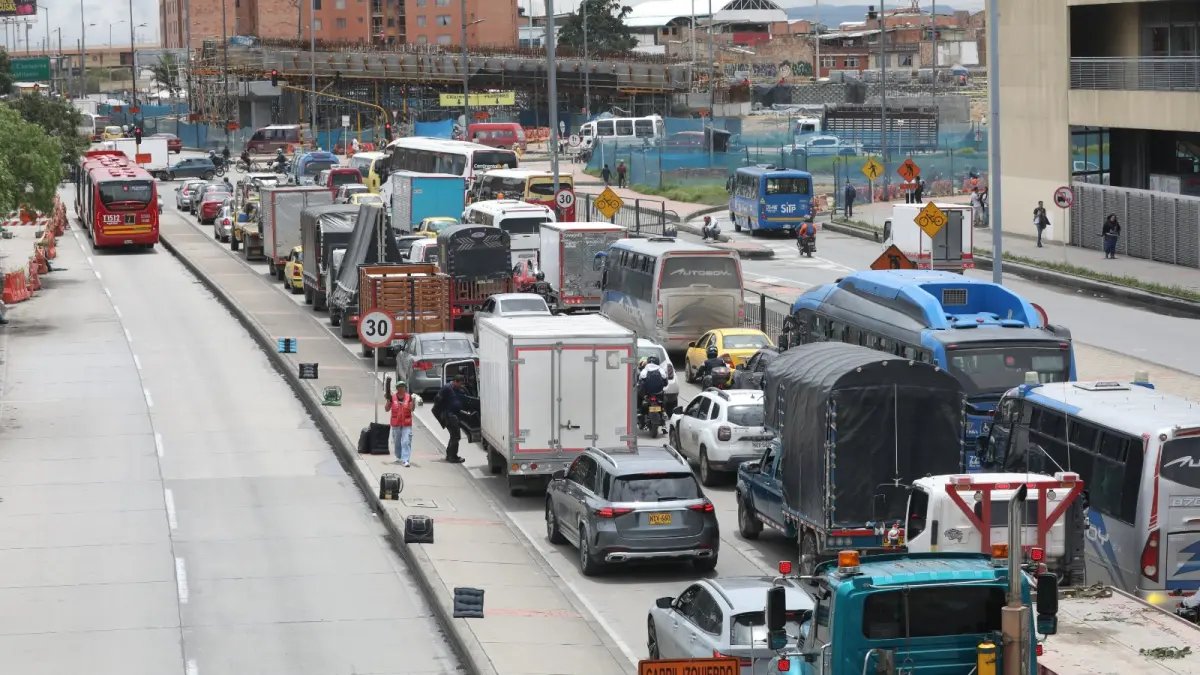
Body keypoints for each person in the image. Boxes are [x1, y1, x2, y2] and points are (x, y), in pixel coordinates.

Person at [431, 375, 466, 463]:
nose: (461, 386)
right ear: (455, 381)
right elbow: (437, 400)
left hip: (453, 415)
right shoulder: (447, 388)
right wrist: (443, 412)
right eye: (460, 383)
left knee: (454, 436)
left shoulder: (457, 389)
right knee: (456, 436)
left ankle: (450, 454)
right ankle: (452, 456)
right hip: (449, 415)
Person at [384, 378, 414, 466]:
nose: (401, 388)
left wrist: (413, 403)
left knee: (406, 441)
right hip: (396, 423)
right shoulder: (392, 397)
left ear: (405, 388)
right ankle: (399, 457)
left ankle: (405, 460)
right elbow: (386, 409)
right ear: (397, 388)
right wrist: (388, 401)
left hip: (406, 423)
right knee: (397, 442)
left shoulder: (409, 397)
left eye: (403, 387)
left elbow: (412, 409)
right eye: (399, 387)